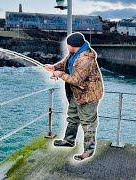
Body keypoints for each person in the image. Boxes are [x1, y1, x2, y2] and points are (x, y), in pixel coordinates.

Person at [44, 32, 104, 161]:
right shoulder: (75, 53)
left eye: (68, 45)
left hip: (88, 95)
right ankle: (69, 140)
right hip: (77, 94)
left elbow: (77, 80)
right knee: (73, 116)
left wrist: (59, 74)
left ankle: (88, 151)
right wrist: (53, 67)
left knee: (88, 123)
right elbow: (65, 63)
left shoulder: (86, 58)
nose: (66, 46)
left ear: (74, 46)